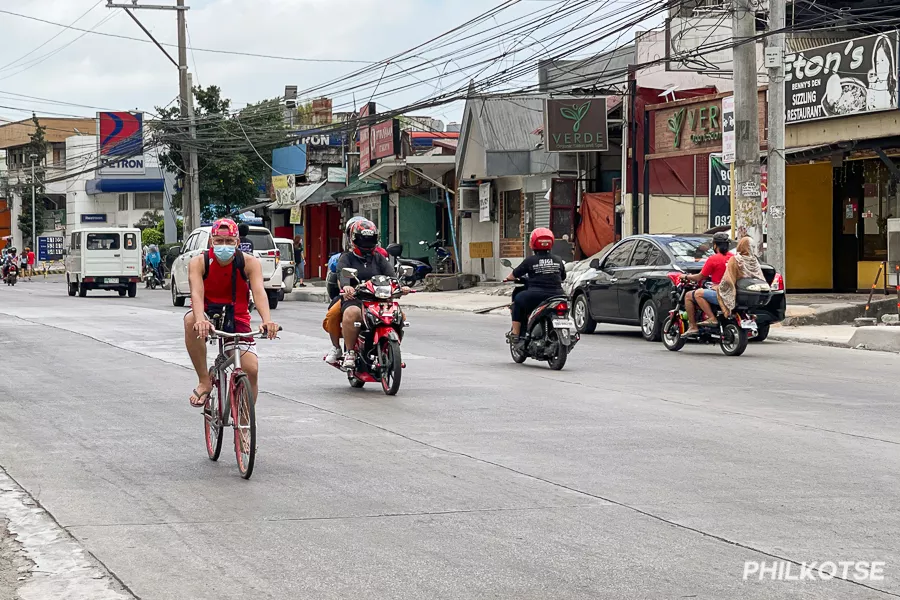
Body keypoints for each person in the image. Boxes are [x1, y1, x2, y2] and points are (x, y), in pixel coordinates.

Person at [183, 218, 278, 408]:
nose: (223, 246)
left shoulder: (250, 262)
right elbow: (196, 293)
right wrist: (201, 319)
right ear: (211, 241)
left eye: (229, 242)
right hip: (208, 313)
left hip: (237, 315)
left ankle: (244, 423)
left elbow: (259, 292)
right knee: (190, 320)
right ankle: (204, 380)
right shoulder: (199, 262)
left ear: (237, 242)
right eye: (219, 241)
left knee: (251, 370)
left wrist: (267, 320)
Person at [336, 219, 401, 370]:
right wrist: (347, 287)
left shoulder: (379, 258)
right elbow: (343, 276)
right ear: (353, 239)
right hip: (356, 299)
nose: (366, 243)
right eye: (362, 239)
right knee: (351, 314)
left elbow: (392, 276)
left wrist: (400, 286)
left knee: (400, 316)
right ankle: (350, 352)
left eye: (370, 239)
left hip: (379, 299)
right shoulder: (347, 258)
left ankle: (391, 347)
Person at [504, 228, 566, 348]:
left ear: (532, 243)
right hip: (558, 294)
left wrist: (508, 278)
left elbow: (513, 275)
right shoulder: (558, 260)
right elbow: (562, 277)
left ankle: (515, 333)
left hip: (535, 295)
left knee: (517, 300)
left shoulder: (530, 260)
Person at [683, 232, 730, 335]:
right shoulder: (734, 257)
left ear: (715, 245)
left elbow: (699, 277)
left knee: (691, 295)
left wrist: (686, 276)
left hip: (721, 293)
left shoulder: (714, 259)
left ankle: (696, 325)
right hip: (732, 292)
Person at [718, 236, 766, 318]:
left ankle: (725, 312)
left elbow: (728, 278)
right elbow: (760, 277)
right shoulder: (754, 260)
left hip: (738, 290)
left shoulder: (736, 259)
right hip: (751, 293)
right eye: (752, 247)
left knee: (718, 290)